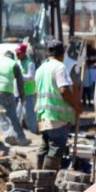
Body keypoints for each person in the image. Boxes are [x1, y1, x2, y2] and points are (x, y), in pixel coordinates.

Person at [35, 39, 82, 171]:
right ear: (62, 54)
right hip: (58, 117)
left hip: (43, 116)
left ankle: (38, 177)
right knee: (55, 149)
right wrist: (76, 106)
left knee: (45, 148)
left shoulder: (41, 68)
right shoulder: (60, 67)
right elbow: (64, 90)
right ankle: (46, 182)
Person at [0, 50, 29, 144]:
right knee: (13, 115)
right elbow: (20, 83)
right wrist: (22, 97)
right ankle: (21, 138)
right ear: (12, 57)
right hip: (6, 91)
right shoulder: (13, 64)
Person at [15, 42, 38, 133]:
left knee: (29, 114)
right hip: (19, 92)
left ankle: (33, 131)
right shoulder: (18, 62)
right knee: (18, 113)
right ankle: (18, 132)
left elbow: (31, 76)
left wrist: (19, 76)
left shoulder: (30, 63)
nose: (17, 54)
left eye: (18, 53)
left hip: (28, 92)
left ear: (24, 53)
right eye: (16, 53)